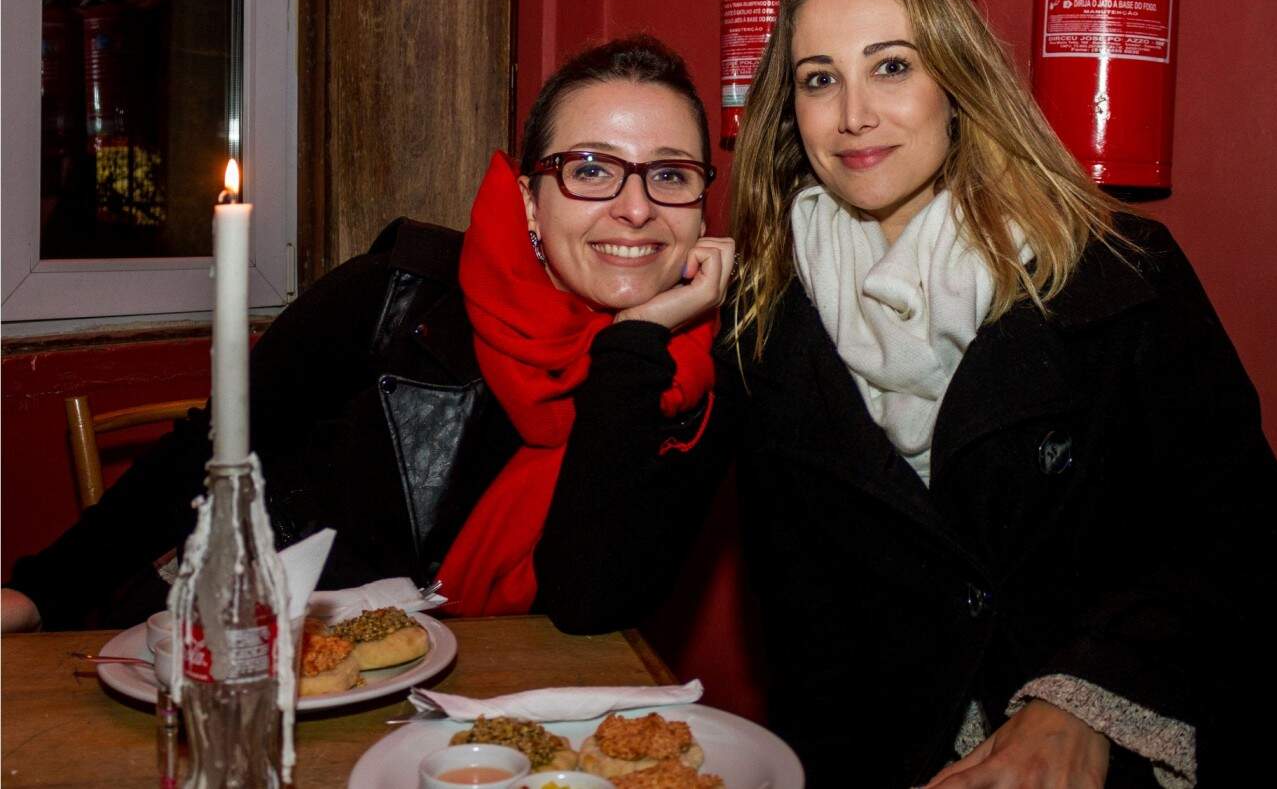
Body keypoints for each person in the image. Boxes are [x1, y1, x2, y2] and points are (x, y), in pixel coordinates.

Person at [535, 0, 1277, 787]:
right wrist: (637, 337)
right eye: (819, 78)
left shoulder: (1116, 273)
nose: (853, 113)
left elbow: (1242, 539)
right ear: (792, 109)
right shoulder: (768, 309)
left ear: (956, 85)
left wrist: (1082, 704)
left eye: (891, 67)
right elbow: (592, 588)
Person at [2, 35, 734, 632]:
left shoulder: (696, 372)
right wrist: (40, 594)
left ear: (703, 206)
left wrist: (634, 341)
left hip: (501, 716)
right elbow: (211, 451)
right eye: (591, 168)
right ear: (530, 203)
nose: (635, 208)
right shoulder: (393, 294)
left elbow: (591, 604)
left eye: (670, 176)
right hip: (277, 667)